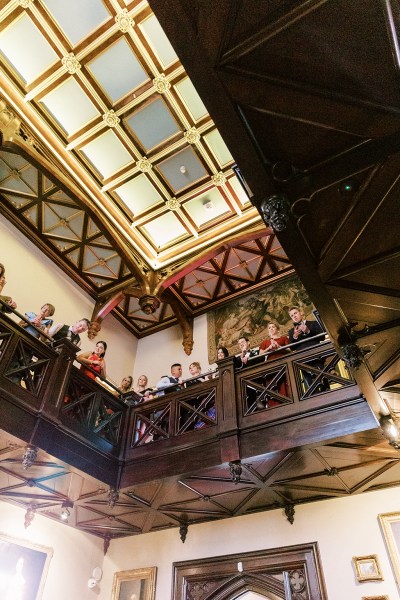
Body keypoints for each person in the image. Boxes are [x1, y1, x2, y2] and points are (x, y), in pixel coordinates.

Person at [287, 306, 327, 392]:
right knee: (311, 386)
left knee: (323, 381)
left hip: (317, 356)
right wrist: (295, 336)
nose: (294, 316)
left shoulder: (313, 323)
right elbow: (291, 347)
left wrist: (308, 331)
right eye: (291, 315)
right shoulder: (291, 331)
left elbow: (323, 337)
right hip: (303, 360)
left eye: (295, 313)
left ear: (301, 313)